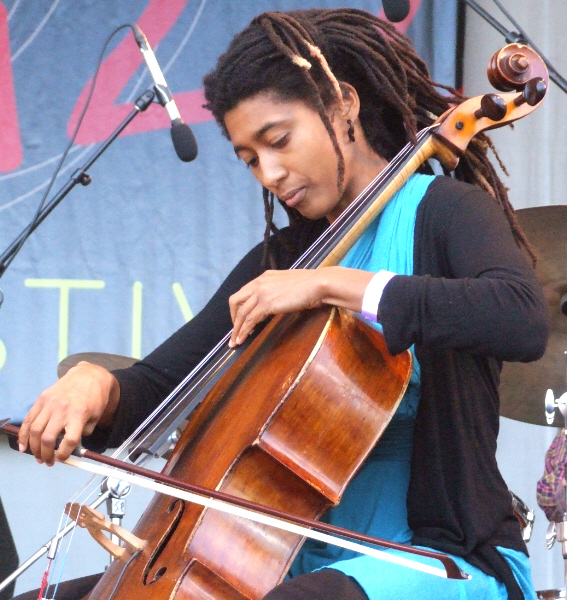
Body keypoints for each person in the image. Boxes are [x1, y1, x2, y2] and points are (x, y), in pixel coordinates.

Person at [17, 8, 549, 600]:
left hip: (442, 558)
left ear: (343, 103)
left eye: (279, 140)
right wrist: (96, 387)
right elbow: (162, 385)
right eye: (250, 160)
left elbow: (519, 318)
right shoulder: (282, 260)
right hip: (289, 563)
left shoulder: (444, 212)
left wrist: (331, 284)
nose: (270, 172)